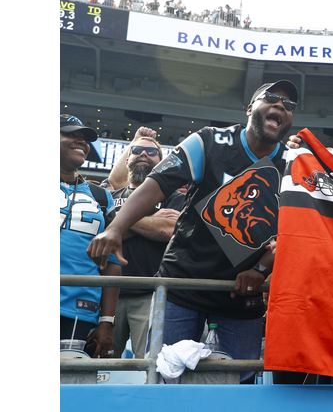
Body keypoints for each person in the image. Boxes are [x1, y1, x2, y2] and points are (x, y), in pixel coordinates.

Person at [87, 80, 299, 384]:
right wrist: (116, 228)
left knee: (238, 384)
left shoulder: (292, 164)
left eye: (289, 105)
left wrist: (262, 268)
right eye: (272, 98)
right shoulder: (209, 141)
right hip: (182, 283)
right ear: (251, 107)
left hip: (240, 294)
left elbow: (295, 231)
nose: (281, 106)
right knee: (164, 376)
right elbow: (157, 184)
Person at [109, 133, 185, 359]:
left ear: (160, 162)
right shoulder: (110, 196)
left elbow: (168, 230)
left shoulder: (174, 198)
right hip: (109, 293)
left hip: (152, 294)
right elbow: (102, 233)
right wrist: (153, 217)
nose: (144, 154)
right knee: (100, 363)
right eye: (137, 150)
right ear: (127, 159)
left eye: (152, 152)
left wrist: (120, 223)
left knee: (149, 365)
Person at [60, 114, 121, 359]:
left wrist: (107, 320)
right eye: (71, 134)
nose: (81, 142)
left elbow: (112, 263)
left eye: (84, 139)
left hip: (79, 309)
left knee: (66, 386)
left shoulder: (100, 196)